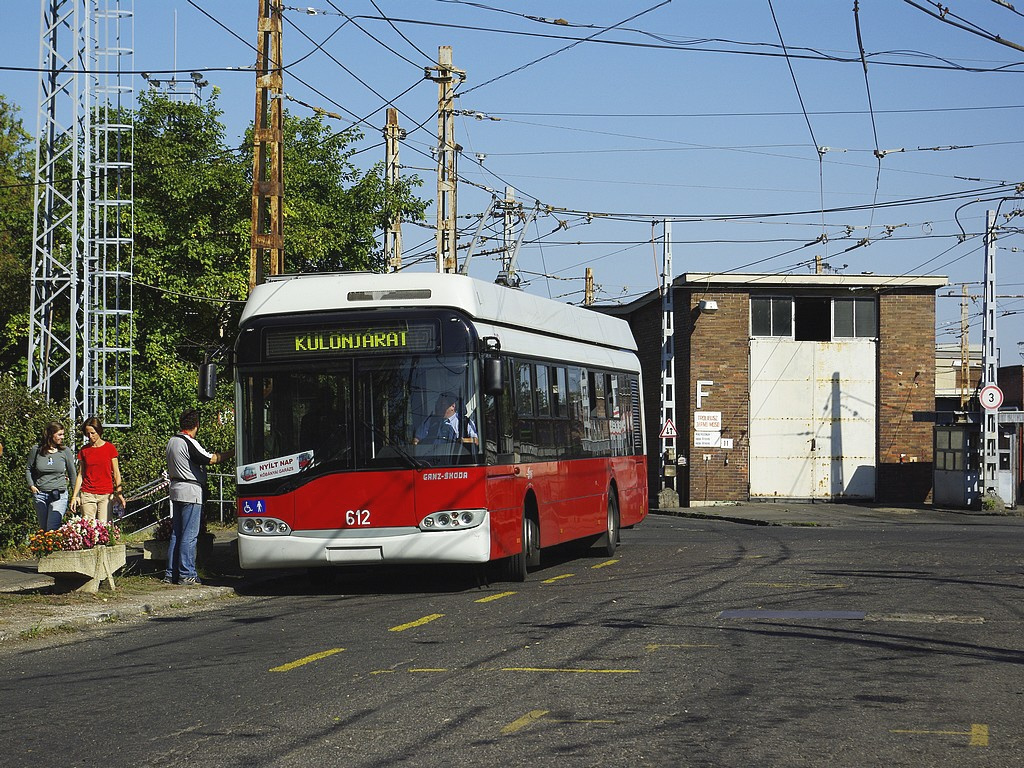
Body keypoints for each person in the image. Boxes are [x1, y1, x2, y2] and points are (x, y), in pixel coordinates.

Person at [163, 409, 233, 586]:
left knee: (176, 534)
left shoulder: (172, 441)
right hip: (191, 491)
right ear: (196, 425)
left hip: (176, 488)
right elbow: (210, 459)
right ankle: (187, 573)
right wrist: (233, 452)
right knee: (190, 535)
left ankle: (171, 573)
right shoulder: (188, 442)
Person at [70, 417, 126, 523]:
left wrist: (119, 493)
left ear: (99, 431)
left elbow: (116, 473)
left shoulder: (110, 449)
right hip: (87, 493)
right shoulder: (84, 450)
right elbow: (81, 475)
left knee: (104, 526)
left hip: (105, 494)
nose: (90, 436)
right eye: (88, 434)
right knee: (88, 528)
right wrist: (74, 496)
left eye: (93, 433)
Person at [26, 421, 78, 531]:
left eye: (63, 434)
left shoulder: (65, 451)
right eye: (59, 434)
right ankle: (44, 548)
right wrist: (31, 486)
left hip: (59, 495)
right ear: (50, 434)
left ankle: (53, 548)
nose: (62, 437)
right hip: (40, 494)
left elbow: (72, 474)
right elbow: (28, 469)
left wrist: (75, 495)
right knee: (44, 528)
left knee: (52, 528)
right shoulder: (37, 450)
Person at [413, 392, 477, 446]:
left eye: (441, 404)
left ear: (452, 406)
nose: (437, 406)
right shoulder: (430, 421)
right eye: (437, 403)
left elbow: (476, 441)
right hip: (431, 457)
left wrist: (463, 440)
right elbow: (417, 439)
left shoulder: (465, 422)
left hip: (457, 458)